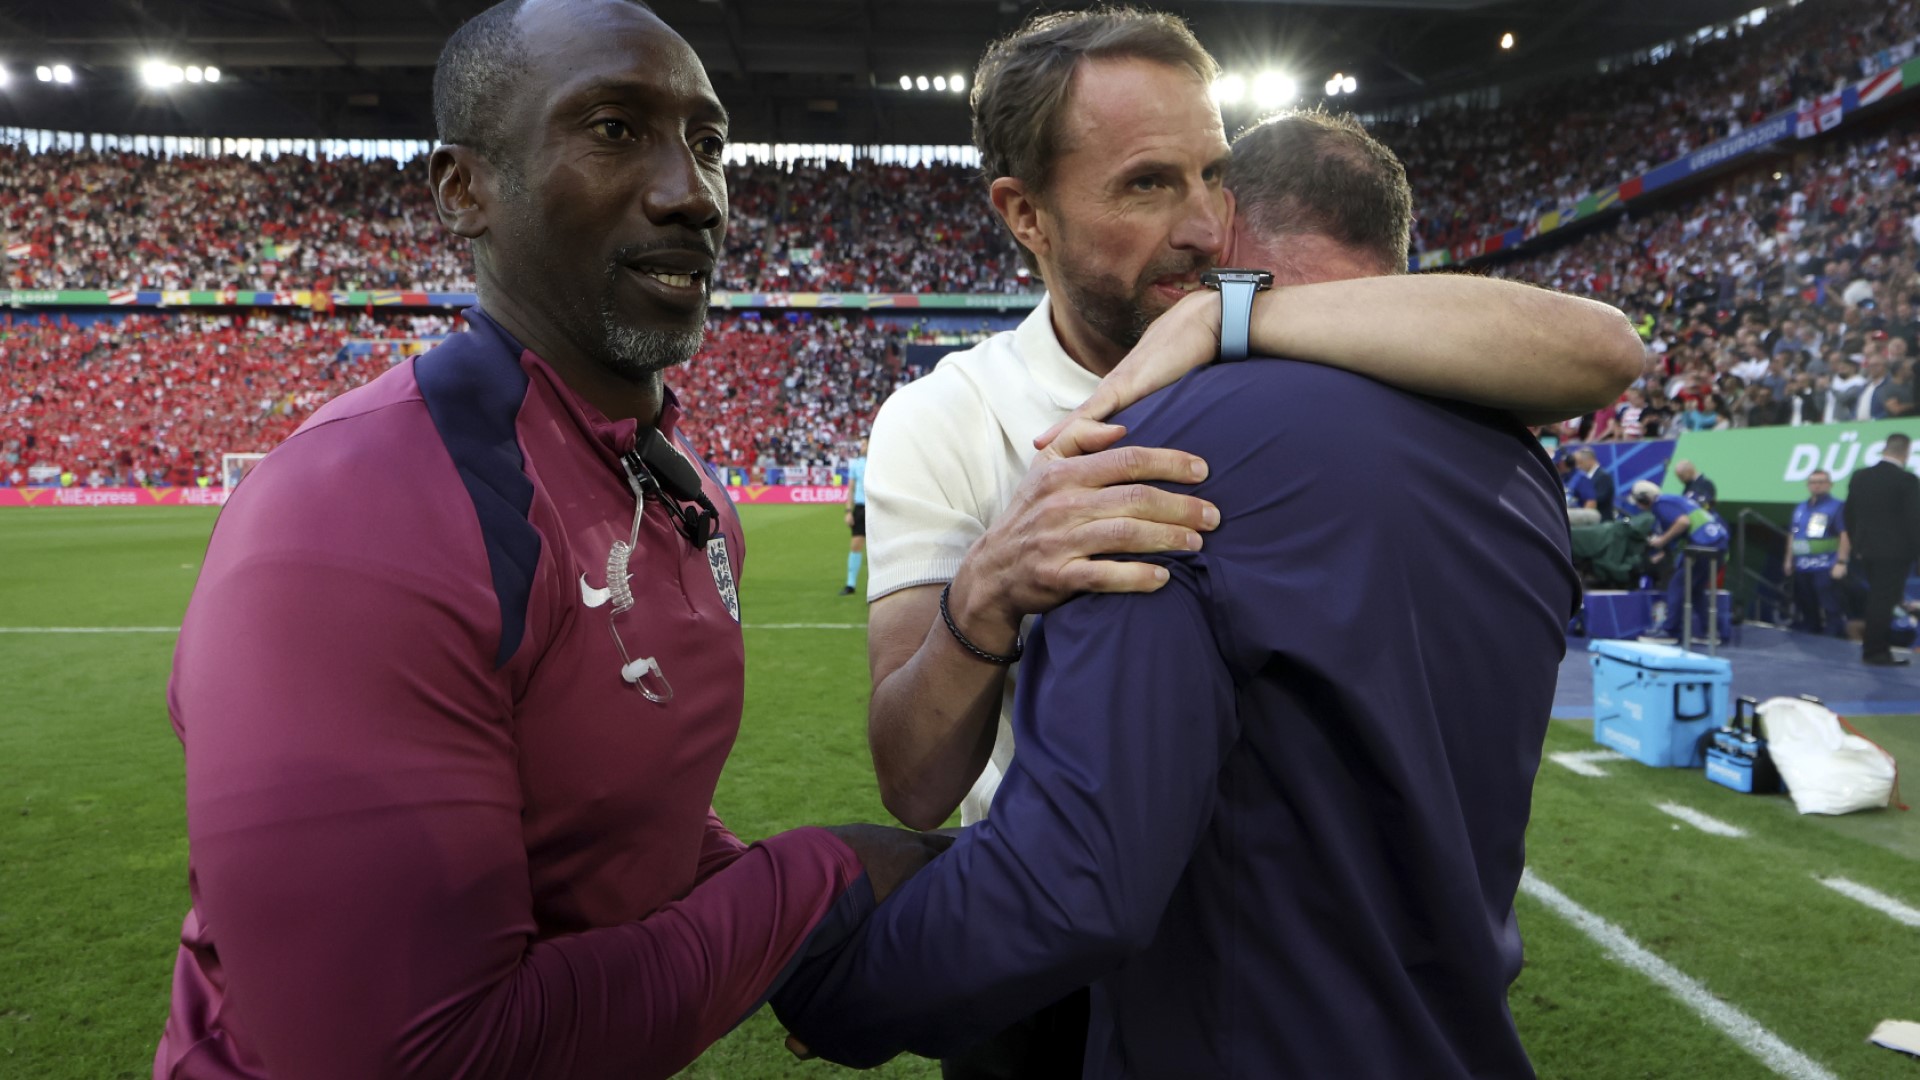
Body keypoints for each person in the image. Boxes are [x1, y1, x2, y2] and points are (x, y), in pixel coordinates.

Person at [153, 3, 945, 1077]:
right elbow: (400, 1059)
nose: (691, 194)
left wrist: (782, 928)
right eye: (614, 129)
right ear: (464, 190)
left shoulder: (681, 491)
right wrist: (817, 885)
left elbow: (612, 828)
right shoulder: (349, 518)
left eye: (707, 144)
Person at [860, 14, 1639, 1073]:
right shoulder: (948, 418)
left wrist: (1236, 323)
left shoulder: (1280, 342)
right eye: (1145, 185)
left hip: (1268, 948)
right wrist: (989, 590)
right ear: (1025, 213)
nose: (1200, 226)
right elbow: (912, 781)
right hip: (1038, 942)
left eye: (1214, 174)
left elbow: (1601, 348)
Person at [1844, 432, 1920, 665]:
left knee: (1877, 598)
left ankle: (1874, 648)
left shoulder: (1860, 476)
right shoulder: (1907, 481)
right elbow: (1914, 520)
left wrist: (1857, 545)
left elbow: (1849, 514)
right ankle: (1876, 652)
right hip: (1896, 553)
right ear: (1905, 452)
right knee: (1883, 601)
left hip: (1867, 551)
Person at [1632, 479, 1731, 644]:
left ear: (1644, 499)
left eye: (1638, 502)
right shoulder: (1674, 500)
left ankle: (1670, 631)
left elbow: (1683, 522)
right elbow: (1679, 531)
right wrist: (1664, 550)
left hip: (1702, 546)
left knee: (1677, 585)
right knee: (1696, 590)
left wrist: (1662, 540)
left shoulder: (1660, 504)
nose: (1638, 506)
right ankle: (1711, 633)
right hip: (1718, 546)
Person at [1785, 469, 1851, 637]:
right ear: (1808, 485)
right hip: (1802, 566)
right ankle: (1811, 628)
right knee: (1806, 602)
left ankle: (1834, 634)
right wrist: (1788, 559)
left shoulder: (1837, 506)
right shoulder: (1800, 507)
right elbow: (1793, 534)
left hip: (1825, 565)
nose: (1817, 485)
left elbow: (1845, 534)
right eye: (1813, 482)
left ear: (1830, 485)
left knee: (1830, 603)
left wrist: (1841, 562)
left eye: (1821, 482)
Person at [841, 436, 868, 595]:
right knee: (856, 545)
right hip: (859, 507)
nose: (861, 446)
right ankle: (850, 584)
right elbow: (850, 488)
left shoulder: (879, 463)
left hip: (876, 508)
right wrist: (848, 510)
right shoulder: (856, 464)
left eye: (864, 444)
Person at [1567, 446, 1617, 520]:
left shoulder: (1603, 477)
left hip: (1602, 522)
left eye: (1580, 463)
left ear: (1590, 460)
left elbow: (1599, 499)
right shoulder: (1581, 477)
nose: (1578, 466)